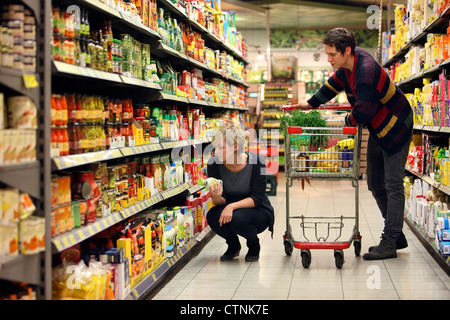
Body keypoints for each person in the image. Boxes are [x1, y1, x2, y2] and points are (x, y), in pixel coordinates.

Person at [293, 27, 413, 260]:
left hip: (397, 126)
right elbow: (333, 84)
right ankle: (397, 236)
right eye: (327, 54)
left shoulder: (366, 71)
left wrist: (333, 128)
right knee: (375, 184)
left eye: (332, 55)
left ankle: (390, 242)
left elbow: (362, 115)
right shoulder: (348, 65)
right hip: (380, 128)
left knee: (392, 184)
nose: (329, 59)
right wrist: (311, 104)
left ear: (347, 50)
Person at [205, 124, 275, 262]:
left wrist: (231, 207)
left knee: (238, 218)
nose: (215, 151)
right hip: (229, 208)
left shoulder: (257, 162)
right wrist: (217, 197)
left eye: (221, 147)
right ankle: (233, 245)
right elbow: (221, 201)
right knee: (212, 216)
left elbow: (257, 199)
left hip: (257, 210)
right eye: (215, 147)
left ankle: (253, 244)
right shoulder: (213, 163)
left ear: (236, 146)